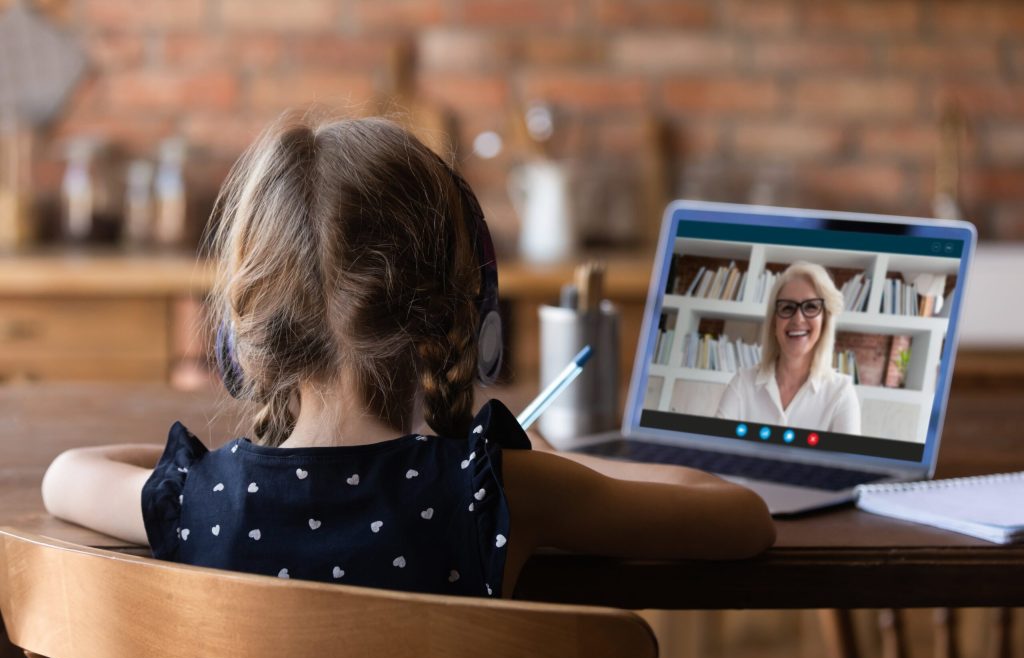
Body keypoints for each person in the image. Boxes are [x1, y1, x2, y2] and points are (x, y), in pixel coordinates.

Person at [42, 115, 774, 599]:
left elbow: (64, 477)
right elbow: (739, 517)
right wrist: (556, 457)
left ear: (244, 336)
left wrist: (213, 460)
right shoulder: (502, 490)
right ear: (466, 312)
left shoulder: (199, 500)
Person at [715, 261, 861, 435]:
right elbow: (711, 451)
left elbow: (844, 462)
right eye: (787, 307)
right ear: (774, 322)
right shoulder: (742, 383)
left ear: (825, 321)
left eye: (811, 307)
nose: (798, 319)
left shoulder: (841, 393)